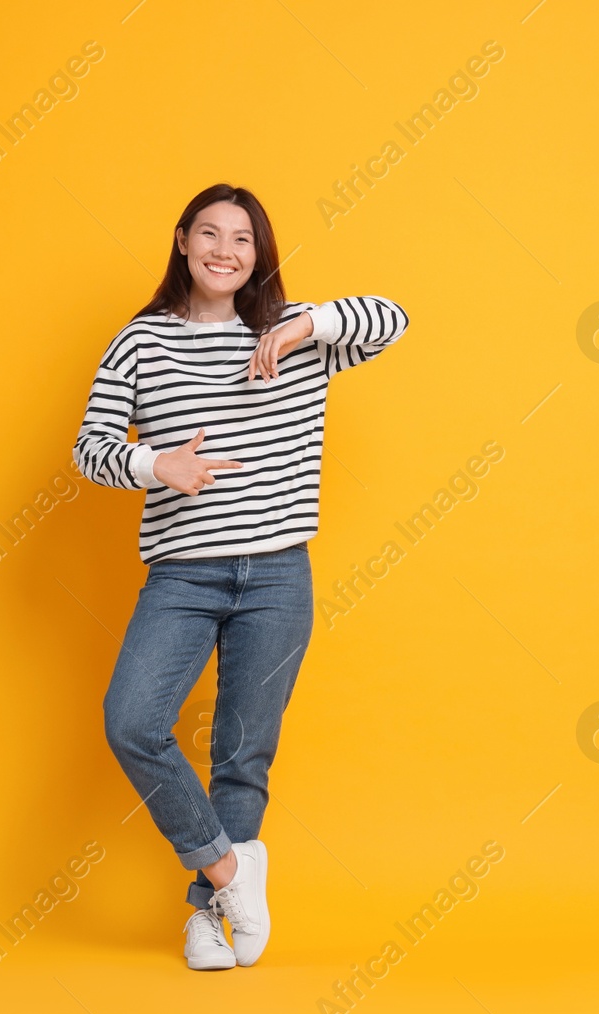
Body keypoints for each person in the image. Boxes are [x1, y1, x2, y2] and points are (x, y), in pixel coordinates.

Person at [72, 183, 409, 970]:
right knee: (131, 720)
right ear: (183, 241)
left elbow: (393, 318)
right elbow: (90, 446)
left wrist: (308, 325)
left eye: (244, 240)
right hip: (183, 576)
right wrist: (159, 463)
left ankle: (206, 919)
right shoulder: (140, 342)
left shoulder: (295, 334)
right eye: (211, 235)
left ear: (259, 255)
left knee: (241, 753)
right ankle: (230, 870)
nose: (225, 251)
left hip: (278, 576)